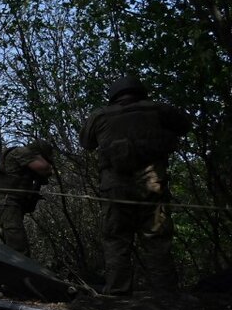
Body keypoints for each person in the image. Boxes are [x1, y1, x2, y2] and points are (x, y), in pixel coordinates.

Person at [80, 75, 192, 296]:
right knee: (157, 238)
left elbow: (86, 143)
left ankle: (118, 292)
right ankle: (165, 293)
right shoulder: (158, 110)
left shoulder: (100, 115)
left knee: (116, 238)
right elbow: (184, 125)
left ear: (114, 94)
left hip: (115, 187)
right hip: (152, 184)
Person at [0, 139, 54, 255]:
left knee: (16, 246)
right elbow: (45, 168)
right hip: (7, 202)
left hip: (13, 203)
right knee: (18, 248)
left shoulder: (28, 162)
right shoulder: (22, 152)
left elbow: (44, 175)